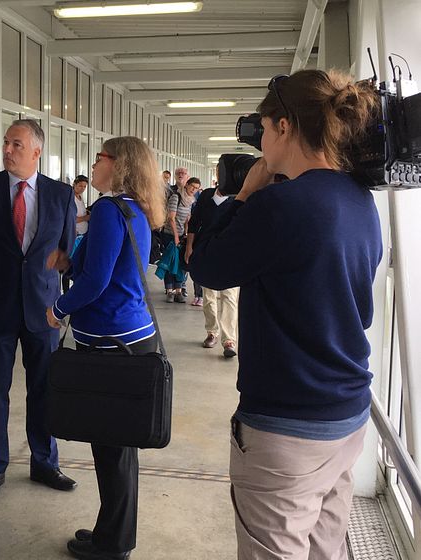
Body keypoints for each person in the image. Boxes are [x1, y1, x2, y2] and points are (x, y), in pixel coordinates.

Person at [188, 70, 382, 559]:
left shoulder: (277, 204)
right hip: (346, 413)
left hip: (287, 427)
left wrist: (244, 195)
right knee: (327, 547)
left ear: (284, 127)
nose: (260, 145)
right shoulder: (360, 199)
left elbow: (208, 266)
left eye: (263, 129)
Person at [46, 137, 166, 560]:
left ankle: (112, 544)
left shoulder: (106, 211)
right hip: (133, 337)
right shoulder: (131, 209)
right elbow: (100, 265)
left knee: (112, 450)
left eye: (101, 158)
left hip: (113, 342)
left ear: (121, 165)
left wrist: (59, 308)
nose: (94, 164)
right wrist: (67, 261)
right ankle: (110, 533)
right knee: (118, 449)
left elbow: (95, 282)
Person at [0, 119, 78, 500]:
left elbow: (64, 251)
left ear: (37, 151)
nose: (8, 150)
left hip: (43, 310)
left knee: (44, 388)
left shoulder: (60, 195)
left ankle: (44, 462)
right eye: (6, 143)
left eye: (17, 144)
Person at [185, 183, 239, 357]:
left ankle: (229, 339)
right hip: (206, 251)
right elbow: (194, 222)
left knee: (229, 296)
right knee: (209, 296)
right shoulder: (207, 195)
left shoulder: (239, 197)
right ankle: (212, 332)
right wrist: (189, 246)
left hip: (231, 254)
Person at [162, 177, 198, 303]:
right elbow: (171, 218)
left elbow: (188, 219)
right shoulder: (176, 197)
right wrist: (176, 236)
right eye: (192, 186)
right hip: (170, 235)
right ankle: (169, 291)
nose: (194, 190)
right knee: (170, 262)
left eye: (196, 188)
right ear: (187, 185)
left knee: (180, 264)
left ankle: (178, 291)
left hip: (181, 235)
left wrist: (186, 234)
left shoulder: (190, 200)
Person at [62, 175, 90, 293]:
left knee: (78, 263)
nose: (82, 188)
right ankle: (66, 291)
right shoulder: (71, 198)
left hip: (82, 235)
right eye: (80, 186)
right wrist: (86, 217)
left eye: (84, 186)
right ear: (74, 184)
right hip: (74, 236)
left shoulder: (80, 197)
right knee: (69, 265)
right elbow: (71, 219)